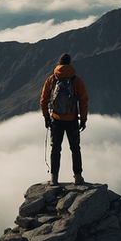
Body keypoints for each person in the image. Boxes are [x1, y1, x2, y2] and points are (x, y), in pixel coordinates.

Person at [40, 53, 89, 185]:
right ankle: (78, 177)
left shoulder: (51, 79)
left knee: (55, 149)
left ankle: (54, 178)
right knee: (75, 148)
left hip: (56, 120)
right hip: (72, 119)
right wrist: (83, 119)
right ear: (70, 63)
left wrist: (46, 117)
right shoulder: (76, 81)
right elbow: (83, 101)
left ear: (59, 63)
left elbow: (44, 100)